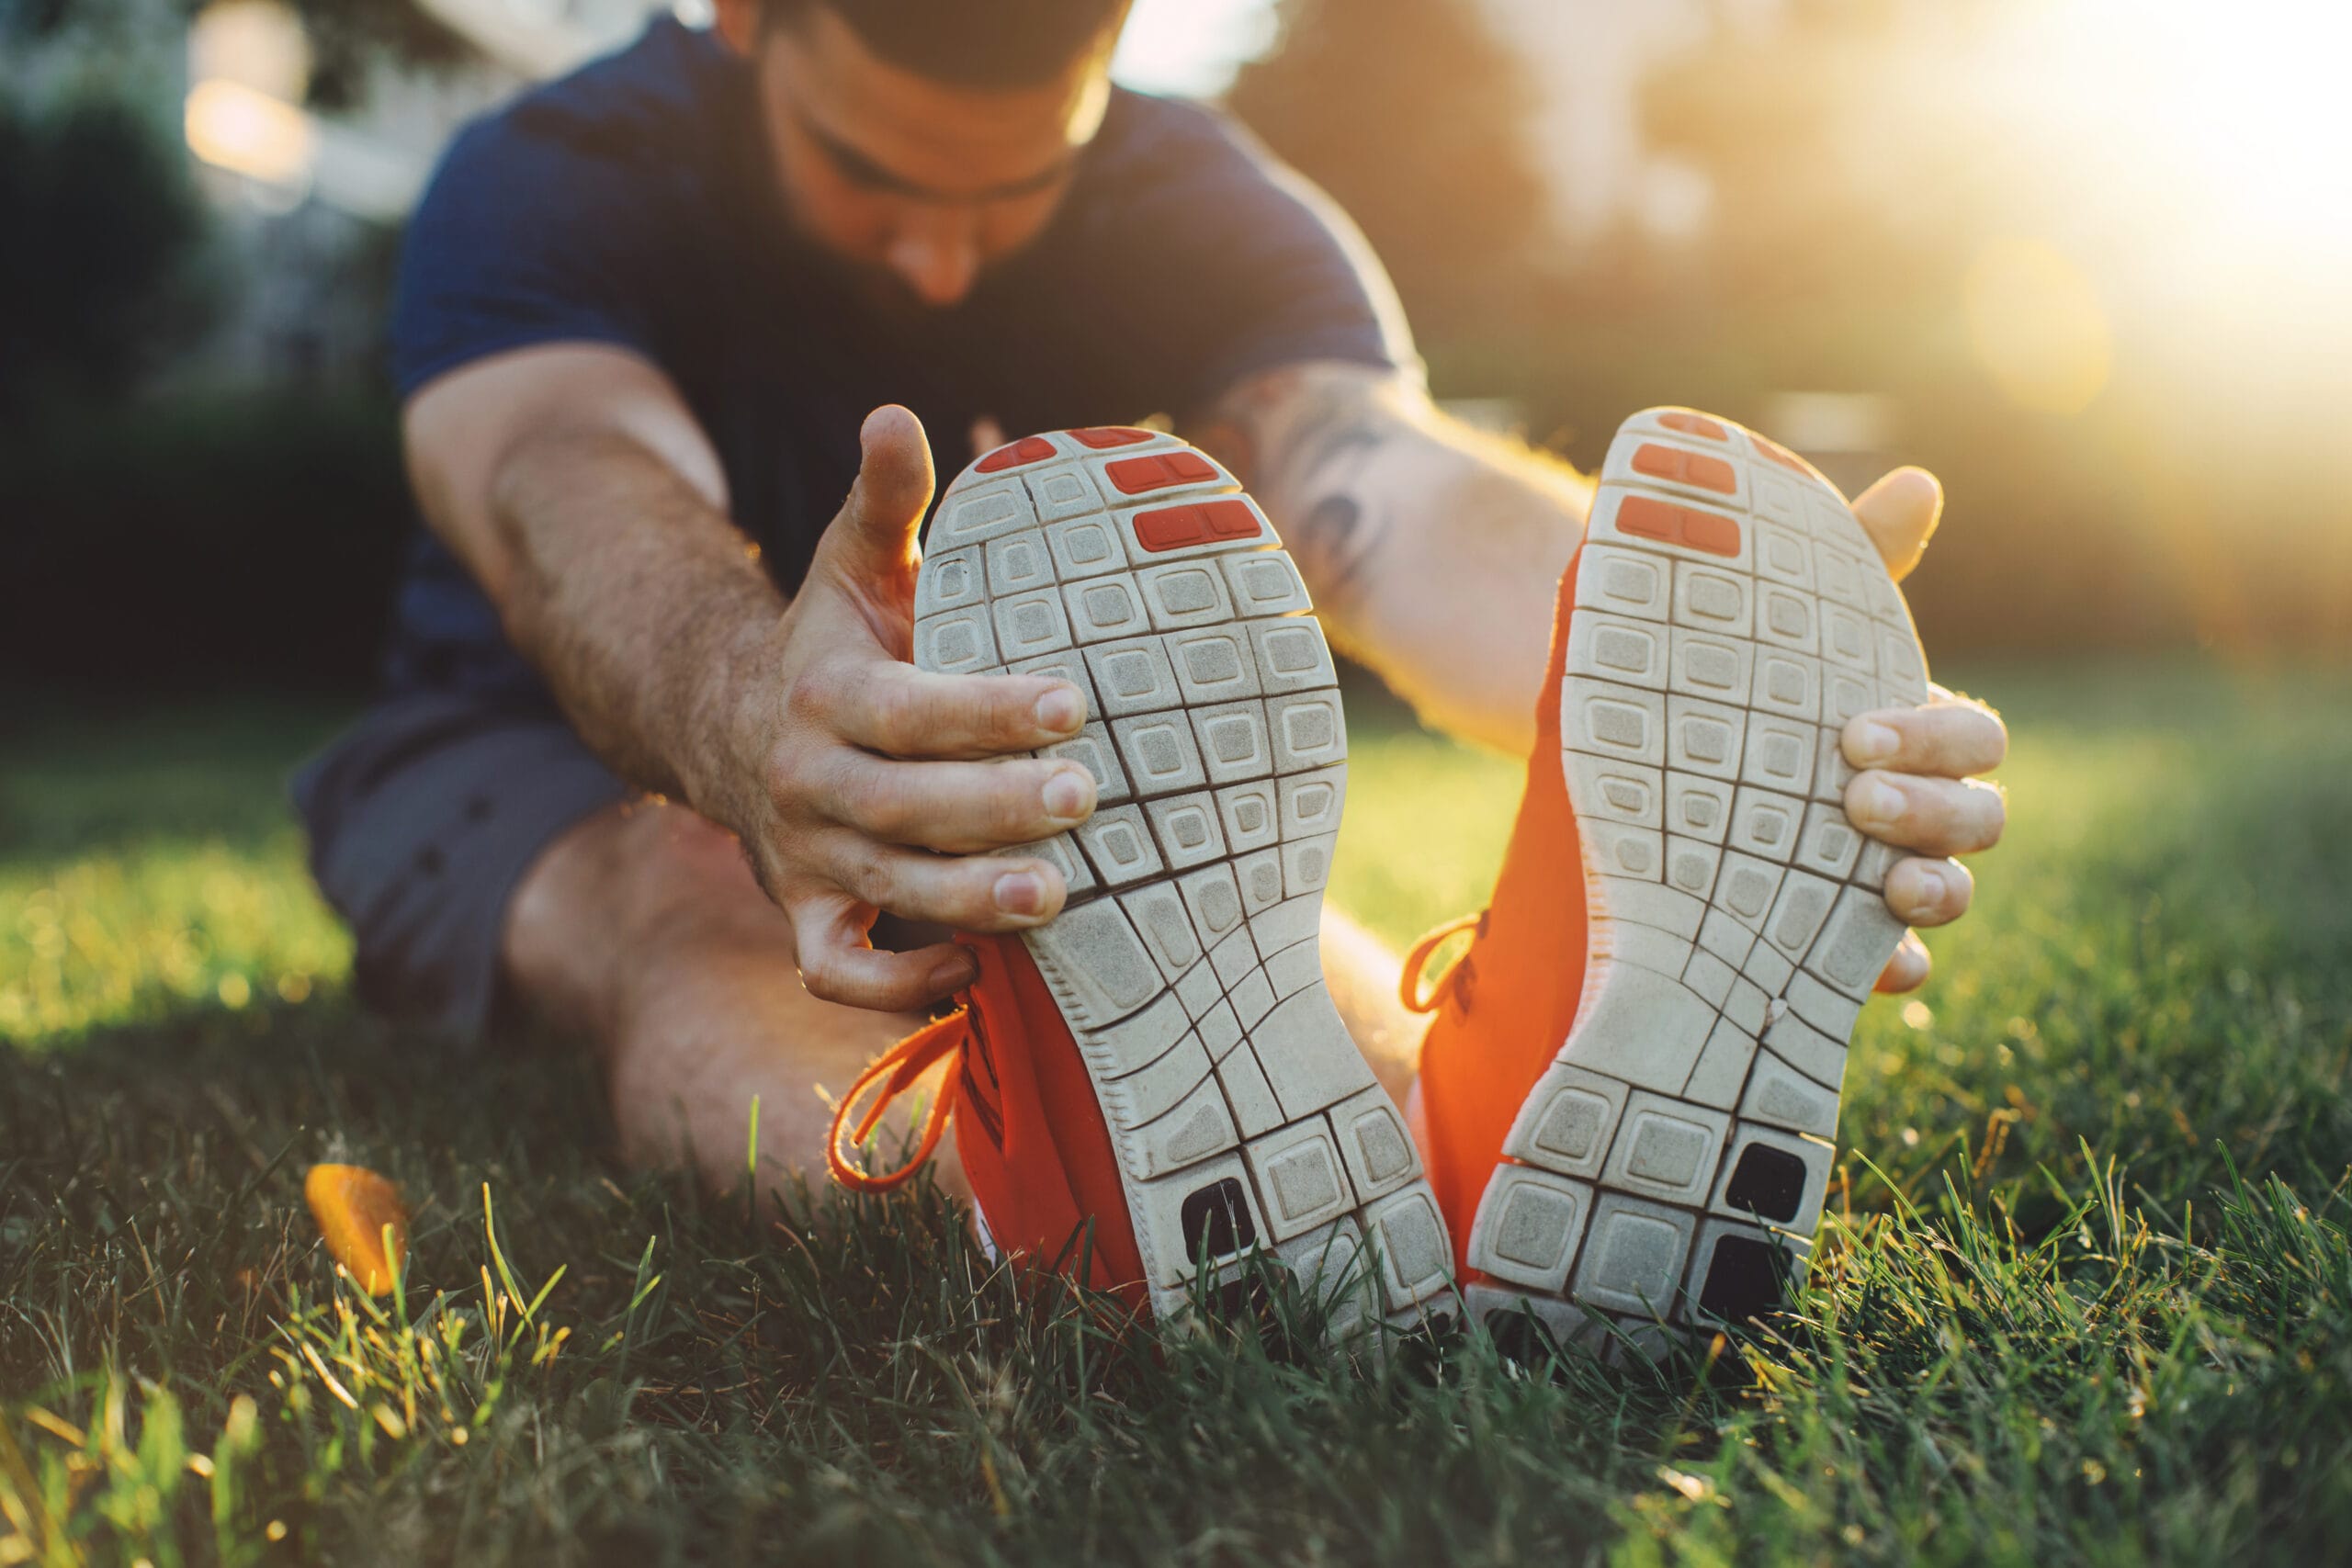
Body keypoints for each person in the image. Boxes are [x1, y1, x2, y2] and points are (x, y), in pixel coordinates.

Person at [296, 0, 2007, 1326]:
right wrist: (762, 726)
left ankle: (1463, 1171)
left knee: (1188, 937)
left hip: (1046, 756)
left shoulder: (1202, 198)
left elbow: (1374, 485)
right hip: (534, 752)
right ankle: (1020, 1220)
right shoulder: (552, 171)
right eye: (876, 178)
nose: (942, 261)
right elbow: (553, 483)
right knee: (708, 885)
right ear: (747, 16)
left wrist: (1682, 649)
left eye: (1015, 184)